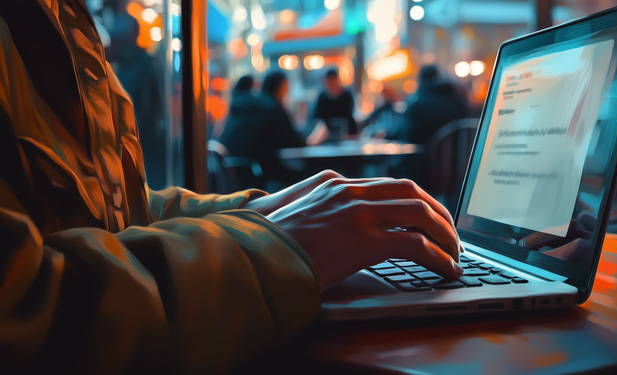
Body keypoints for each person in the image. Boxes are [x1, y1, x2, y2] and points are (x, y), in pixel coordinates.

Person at [0, 1, 462, 372]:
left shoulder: (66, 17)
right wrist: (276, 244)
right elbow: (21, 307)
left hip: (255, 179)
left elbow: (119, 210)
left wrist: (261, 212)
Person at [220, 71, 306, 189]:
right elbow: (294, 142)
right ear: (282, 88)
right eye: (286, 88)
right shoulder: (272, 107)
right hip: (257, 174)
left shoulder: (240, 107)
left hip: (229, 177)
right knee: (306, 176)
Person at [396, 65, 471, 189]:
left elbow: (406, 140)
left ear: (420, 80)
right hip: (459, 172)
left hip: (424, 176)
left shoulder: (417, 105)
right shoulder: (460, 103)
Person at [311, 67, 358, 139]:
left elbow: (349, 114)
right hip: (327, 136)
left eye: (333, 80)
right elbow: (317, 117)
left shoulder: (347, 95)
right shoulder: (322, 96)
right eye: (329, 81)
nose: (331, 83)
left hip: (347, 134)